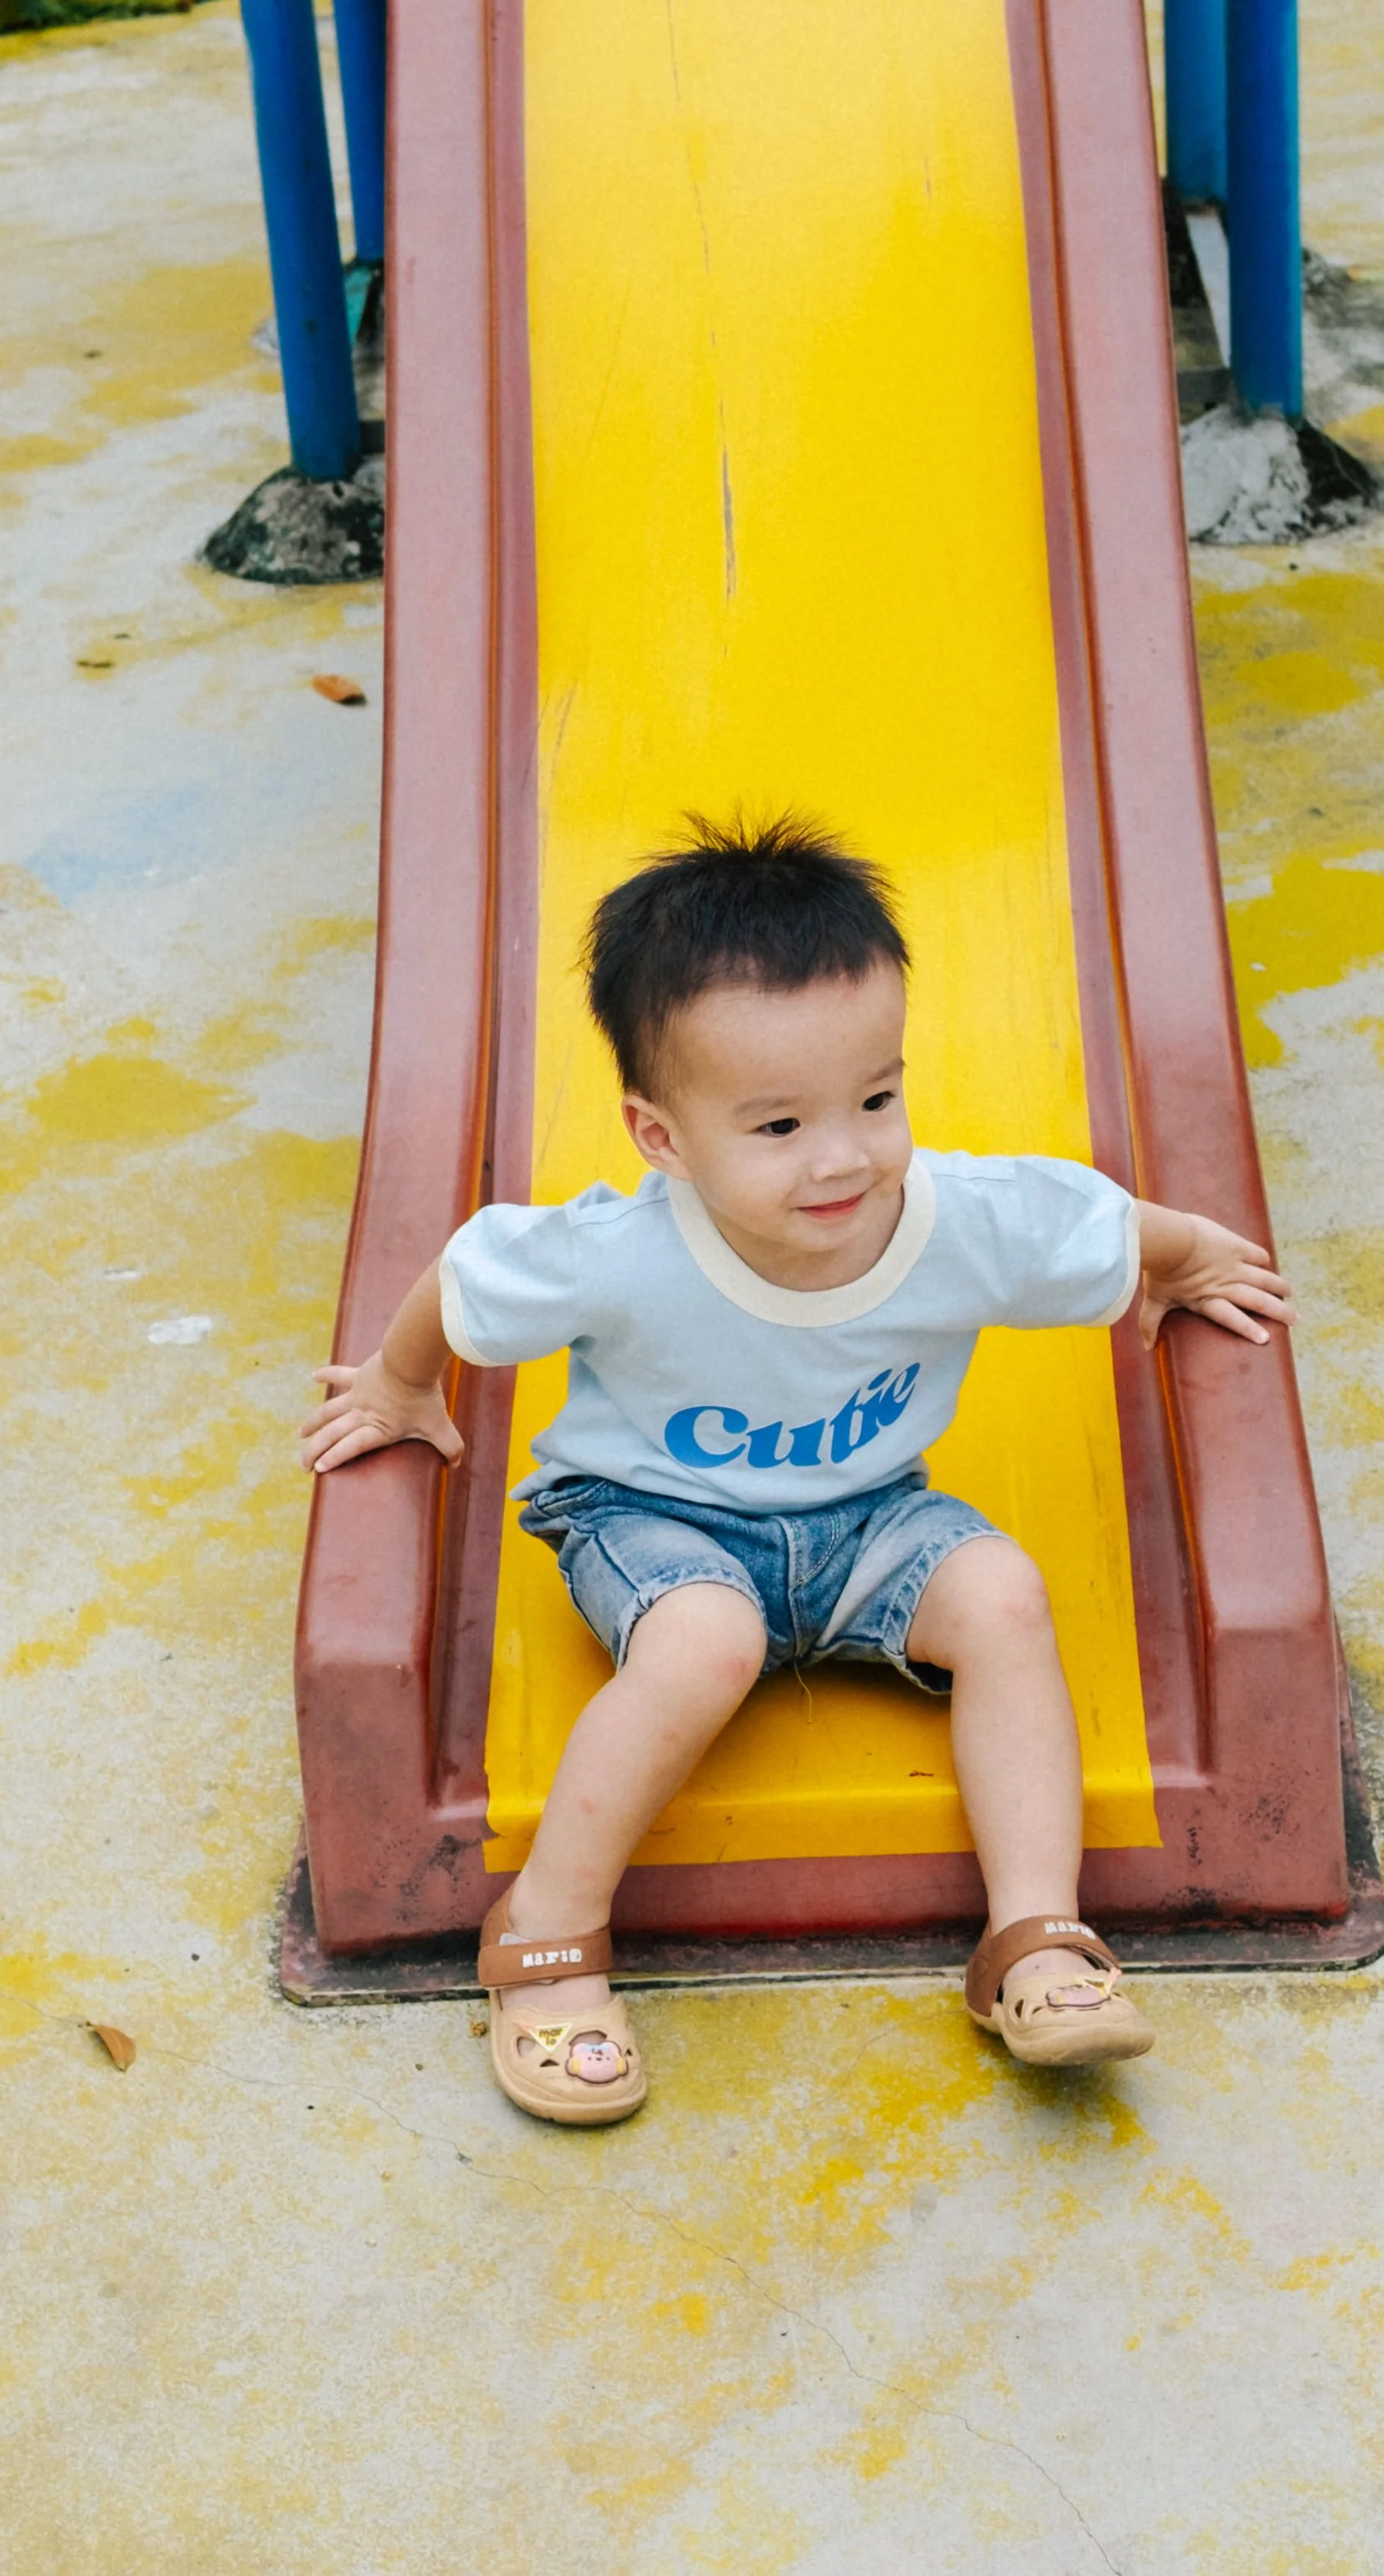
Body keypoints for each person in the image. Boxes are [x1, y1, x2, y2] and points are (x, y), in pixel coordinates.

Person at [302, 816, 1293, 2125]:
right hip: (650, 1514)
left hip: (870, 1518)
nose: (843, 1156)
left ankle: (1037, 1940)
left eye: (875, 1098)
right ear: (660, 1135)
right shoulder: (618, 1253)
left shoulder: (955, 1219)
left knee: (1002, 1594)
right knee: (707, 1639)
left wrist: (1191, 1260)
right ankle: (545, 1924)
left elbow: (1099, 1230)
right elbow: (468, 1278)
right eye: (777, 1123)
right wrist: (400, 1382)